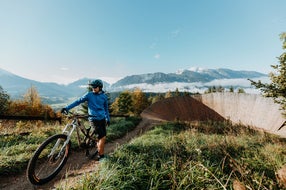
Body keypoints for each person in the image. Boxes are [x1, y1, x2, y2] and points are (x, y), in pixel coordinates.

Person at [61, 79, 110, 161]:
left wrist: (107, 119)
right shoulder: (89, 95)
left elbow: (106, 109)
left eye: (95, 87)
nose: (93, 88)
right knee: (102, 138)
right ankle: (101, 157)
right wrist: (67, 108)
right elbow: (78, 101)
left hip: (102, 119)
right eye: (92, 87)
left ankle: (97, 147)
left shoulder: (104, 97)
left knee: (101, 137)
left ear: (100, 87)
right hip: (93, 119)